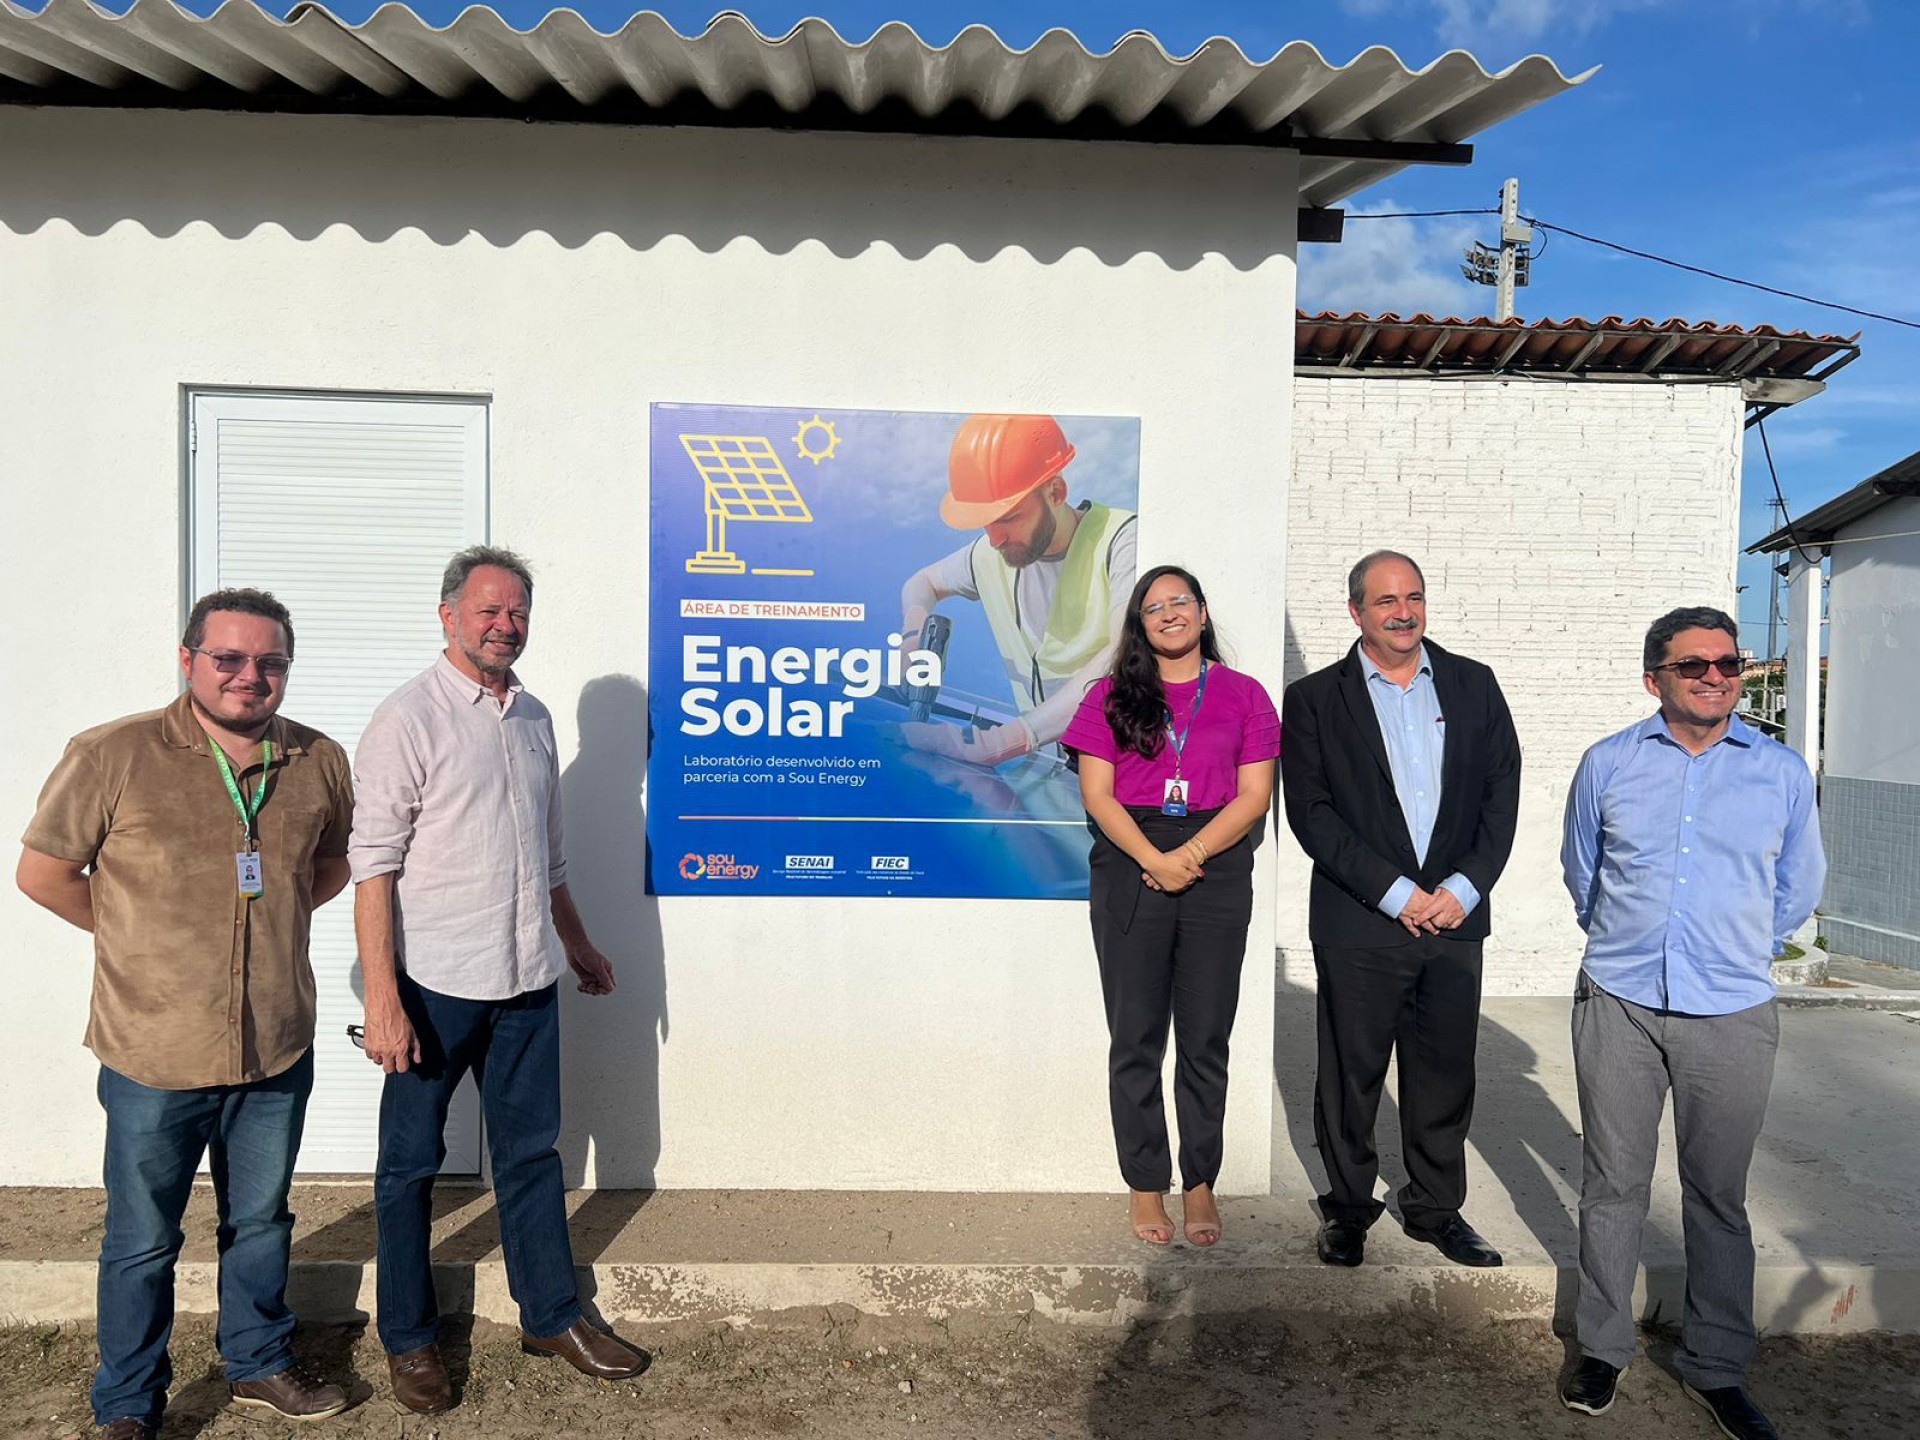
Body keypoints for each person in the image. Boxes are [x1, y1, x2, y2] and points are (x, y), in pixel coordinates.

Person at [17, 589, 355, 1439]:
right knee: (141, 1240)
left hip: (273, 1047)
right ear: (188, 660)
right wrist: (134, 939)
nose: (251, 676)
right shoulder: (111, 755)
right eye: (229, 659)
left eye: (270, 662)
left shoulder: (318, 760)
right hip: (152, 1053)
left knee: (262, 1221)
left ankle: (257, 1362)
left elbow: (329, 868)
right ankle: (130, 1403)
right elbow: (44, 874)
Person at [350, 546, 648, 1416]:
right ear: (447, 615)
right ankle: (408, 1338)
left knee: (529, 1155)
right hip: (434, 984)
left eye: (516, 611)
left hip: (526, 978)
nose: (504, 625)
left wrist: (579, 944)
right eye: (487, 609)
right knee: (408, 1167)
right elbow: (372, 868)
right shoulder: (407, 719)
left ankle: (551, 1315)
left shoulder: (535, 719)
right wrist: (382, 1000)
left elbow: (546, 855)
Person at [1557, 607, 1823, 1440]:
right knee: (1613, 1185)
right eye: (1695, 665)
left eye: (1728, 664)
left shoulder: (1781, 772)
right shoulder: (1608, 764)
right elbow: (1583, 873)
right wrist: (1628, 941)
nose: (1716, 676)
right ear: (1655, 679)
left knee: (1718, 1196)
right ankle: (1602, 1348)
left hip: (1732, 1012)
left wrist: (1738, 947)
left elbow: (1798, 887)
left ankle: (1716, 1366)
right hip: (1620, 1002)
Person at [1280, 550, 1521, 1270]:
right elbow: (1313, 814)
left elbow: (1500, 795)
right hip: (1361, 919)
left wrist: (1465, 888)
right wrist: (1395, 893)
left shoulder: (1474, 685)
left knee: (1444, 1070)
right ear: (1356, 612)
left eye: (1413, 596)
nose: (1403, 611)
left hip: (1453, 918)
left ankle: (1436, 1208)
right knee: (1350, 1073)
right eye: (1386, 600)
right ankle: (1349, 1207)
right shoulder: (1317, 699)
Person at [1063, 565, 1278, 1248]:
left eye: (1180, 601)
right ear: (1139, 623)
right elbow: (1098, 796)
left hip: (1217, 859)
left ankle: (1202, 1181)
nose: (1169, 614)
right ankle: (1145, 1183)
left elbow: (1254, 797)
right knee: (1136, 1038)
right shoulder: (1108, 697)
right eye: (1153, 607)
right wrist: (1155, 859)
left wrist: (1192, 857)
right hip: (1132, 859)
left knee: (1206, 1037)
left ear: (1204, 613)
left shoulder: (1245, 695)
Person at [899, 413, 1137, 765]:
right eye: (985, 523)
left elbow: (1123, 656)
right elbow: (922, 583)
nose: (994, 539)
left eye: (1009, 517)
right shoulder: (991, 554)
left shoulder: (1122, 542)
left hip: (1122, 772)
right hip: (1052, 774)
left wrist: (1005, 741)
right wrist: (913, 634)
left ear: (1056, 492)